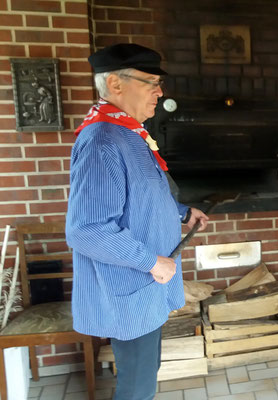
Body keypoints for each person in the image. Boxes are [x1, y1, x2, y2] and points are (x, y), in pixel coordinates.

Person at [66, 43, 209, 400]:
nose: (160, 92)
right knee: (137, 383)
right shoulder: (103, 140)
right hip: (131, 284)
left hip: (146, 285)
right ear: (116, 84)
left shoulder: (128, 131)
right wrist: (151, 261)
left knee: (146, 371)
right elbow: (87, 229)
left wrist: (183, 213)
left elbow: (141, 197)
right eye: (151, 82)